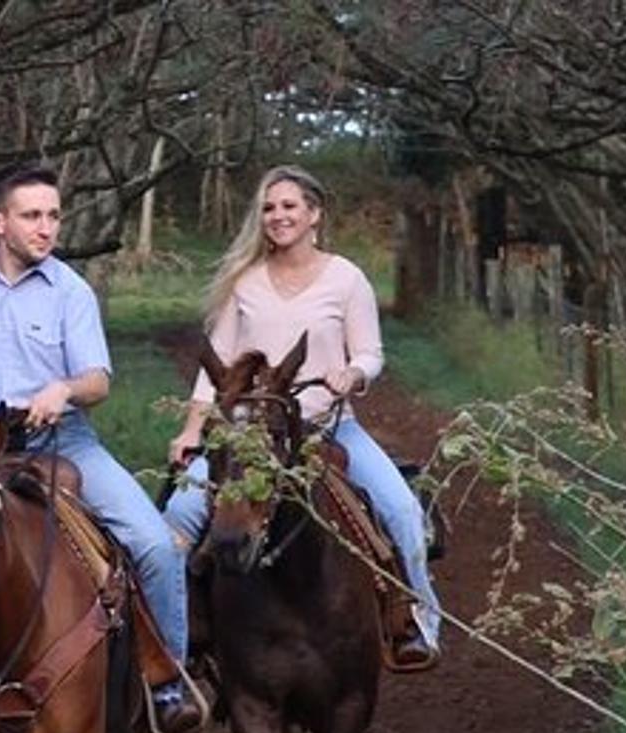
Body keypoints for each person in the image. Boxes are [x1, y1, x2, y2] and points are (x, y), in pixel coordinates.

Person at [0, 165, 207, 733]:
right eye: (31, 216)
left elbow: (98, 381)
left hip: (66, 442)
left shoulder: (70, 291)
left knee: (154, 543)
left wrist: (63, 390)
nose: (46, 227)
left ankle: (164, 684)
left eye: (53, 216)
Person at [163, 164, 442, 669]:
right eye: (269, 208)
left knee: (402, 511)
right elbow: (217, 369)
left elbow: (371, 353)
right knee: (180, 513)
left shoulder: (346, 278)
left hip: (328, 427)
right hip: (251, 435)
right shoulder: (245, 283)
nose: (278, 216)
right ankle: (182, 637)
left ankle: (417, 622)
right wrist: (192, 429)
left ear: (314, 214)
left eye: (289, 206)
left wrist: (352, 373)